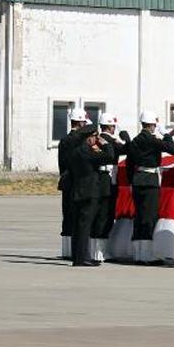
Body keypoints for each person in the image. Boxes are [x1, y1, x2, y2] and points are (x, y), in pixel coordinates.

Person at [126, 111, 174, 265]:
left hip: (137, 179)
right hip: (150, 180)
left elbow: (130, 163)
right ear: (152, 125)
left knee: (139, 215)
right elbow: (172, 149)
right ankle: (147, 254)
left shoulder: (136, 140)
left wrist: (131, 181)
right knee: (149, 216)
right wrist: (167, 134)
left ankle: (138, 252)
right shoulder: (152, 140)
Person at [69, 124, 114, 266]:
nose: (96, 139)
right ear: (89, 138)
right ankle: (82, 259)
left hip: (77, 191)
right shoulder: (87, 151)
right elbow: (109, 157)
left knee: (77, 226)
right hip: (90, 192)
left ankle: (77, 257)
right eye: (95, 137)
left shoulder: (75, 151)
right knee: (85, 226)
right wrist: (106, 144)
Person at [89, 113, 130, 262]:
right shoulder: (110, 140)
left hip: (99, 178)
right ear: (111, 127)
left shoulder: (97, 139)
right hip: (108, 179)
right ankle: (100, 252)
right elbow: (127, 149)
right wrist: (127, 138)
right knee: (105, 215)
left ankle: (94, 250)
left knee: (98, 215)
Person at [57, 108, 89, 260]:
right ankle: (75, 252)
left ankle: (66, 250)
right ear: (81, 122)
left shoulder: (64, 140)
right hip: (77, 181)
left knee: (67, 216)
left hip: (66, 180)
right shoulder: (79, 140)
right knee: (78, 217)